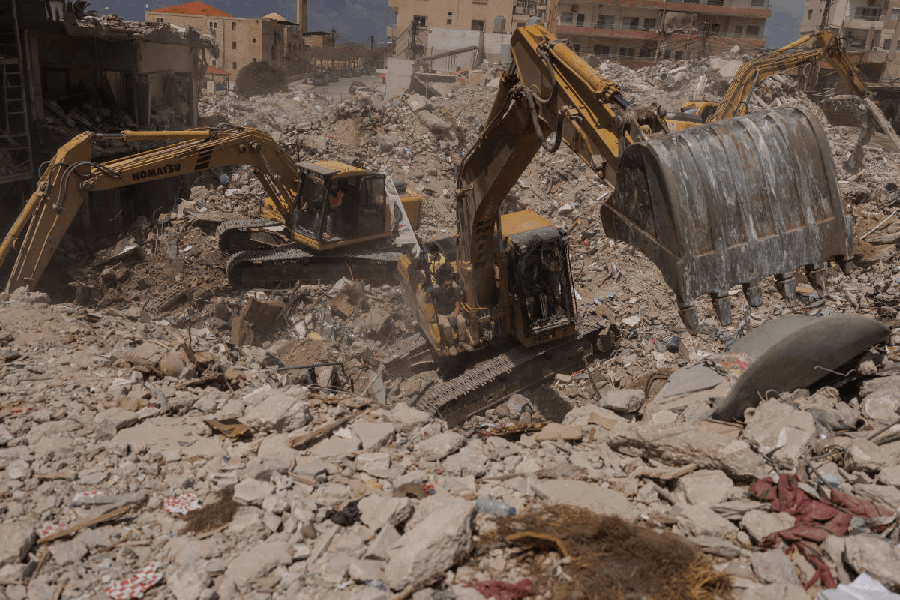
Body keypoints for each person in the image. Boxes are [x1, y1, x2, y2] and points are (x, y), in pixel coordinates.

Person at [427, 274, 468, 356]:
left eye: (450, 285)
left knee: (462, 321)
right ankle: (451, 346)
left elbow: (457, 305)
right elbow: (427, 301)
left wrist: (454, 315)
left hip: (452, 312)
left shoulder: (455, 291)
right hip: (441, 314)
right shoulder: (437, 292)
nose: (449, 287)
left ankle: (462, 342)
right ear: (442, 285)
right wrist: (428, 293)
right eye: (446, 286)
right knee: (447, 326)